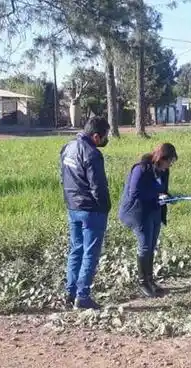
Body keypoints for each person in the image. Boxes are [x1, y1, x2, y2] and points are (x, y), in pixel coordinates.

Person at [59, 116, 112, 310]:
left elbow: (62, 177)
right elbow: (98, 186)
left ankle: (70, 293)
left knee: (76, 250)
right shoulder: (92, 154)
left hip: (73, 207)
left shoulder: (67, 148)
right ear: (96, 136)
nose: (106, 139)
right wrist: (105, 207)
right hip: (91, 210)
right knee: (90, 253)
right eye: (105, 136)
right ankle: (83, 297)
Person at [118, 143, 178, 298]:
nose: (170, 165)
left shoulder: (164, 171)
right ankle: (142, 282)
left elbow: (162, 190)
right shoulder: (141, 169)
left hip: (154, 210)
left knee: (152, 245)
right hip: (138, 212)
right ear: (161, 158)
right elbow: (134, 192)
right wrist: (156, 195)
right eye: (169, 161)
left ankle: (150, 280)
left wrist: (169, 197)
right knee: (144, 245)